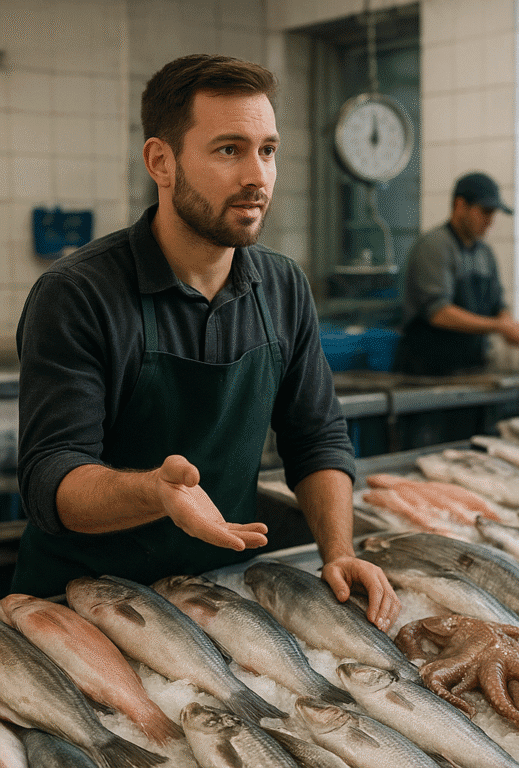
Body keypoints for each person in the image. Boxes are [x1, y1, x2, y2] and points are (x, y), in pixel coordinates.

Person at [10, 54, 400, 631]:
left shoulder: (284, 285)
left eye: (267, 150)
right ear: (161, 162)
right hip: (79, 606)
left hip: (217, 597)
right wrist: (155, 493)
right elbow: (51, 478)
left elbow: (316, 437)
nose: (257, 176)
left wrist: (338, 551)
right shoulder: (77, 294)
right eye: (229, 150)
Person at [393, 172, 519, 377]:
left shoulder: (485, 254)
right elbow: (439, 313)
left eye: (493, 213)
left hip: (472, 370)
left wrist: (510, 325)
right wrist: (499, 326)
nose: (490, 221)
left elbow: (498, 305)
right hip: (428, 374)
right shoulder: (435, 246)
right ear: (460, 206)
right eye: (485, 211)